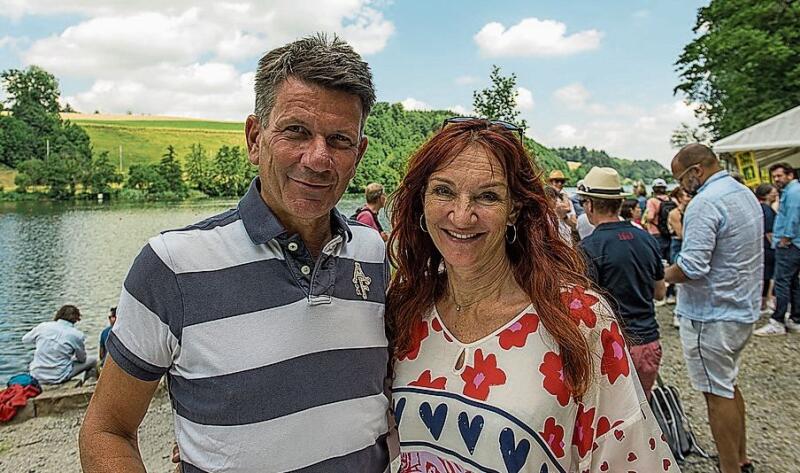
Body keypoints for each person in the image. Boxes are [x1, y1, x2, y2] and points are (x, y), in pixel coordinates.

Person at [79, 34, 391, 473]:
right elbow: (107, 429)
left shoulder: (374, 254)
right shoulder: (171, 266)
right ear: (254, 138)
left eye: (339, 139)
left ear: (358, 154)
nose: (318, 158)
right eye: (296, 131)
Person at [388, 118, 677, 472]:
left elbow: (629, 456)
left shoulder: (578, 319)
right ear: (421, 200)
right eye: (444, 191)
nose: (462, 215)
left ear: (515, 209)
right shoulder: (405, 307)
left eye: (488, 196)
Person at [665, 143, 760, 473]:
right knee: (728, 385)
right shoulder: (742, 192)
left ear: (697, 171)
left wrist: (661, 274)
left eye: (681, 179)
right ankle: (741, 456)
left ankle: (729, 467)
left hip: (711, 313)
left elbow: (692, 267)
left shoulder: (705, 202)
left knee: (715, 394)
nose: (681, 187)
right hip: (741, 307)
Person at [578, 167, 666, 400]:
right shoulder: (646, 238)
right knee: (642, 410)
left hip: (612, 345)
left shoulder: (590, 248)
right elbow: (659, 292)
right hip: (649, 342)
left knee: (614, 417)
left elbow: (585, 308)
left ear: (590, 205)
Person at [754, 163, 800, 336]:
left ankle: (778, 320)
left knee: (781, 281)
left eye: (779, 176)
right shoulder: (790, 191)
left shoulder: (794, 192)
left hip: (790, 243)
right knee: (793, 282)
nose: (776, 180)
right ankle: (796, 318)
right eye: (774, 177)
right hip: (792, 243)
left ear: (790, 175)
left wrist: (786, 238)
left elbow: (794, 216)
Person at [21, 305, 97, 384]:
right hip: (58, 376)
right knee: (93, 361)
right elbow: (82, 359)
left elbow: (25, 340)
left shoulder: (43, 326)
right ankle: (90, 385)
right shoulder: (77, 335)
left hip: (37, 375)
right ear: (76, 319)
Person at [754, 184, 778, 314]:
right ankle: (767, 301)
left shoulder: (760, 209)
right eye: (773, 193)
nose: (776, 195)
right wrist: (775, 246)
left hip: (763, 246)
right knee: (769, 275)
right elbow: (769, 231)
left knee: (766, 276)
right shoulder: (767, 211)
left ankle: (763, 303)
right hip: (768, 247)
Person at [643, 178, 671, 260]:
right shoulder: (671, 199)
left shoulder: (652, 201)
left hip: (656, 232)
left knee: (659, 258)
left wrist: (645, 218)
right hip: (668, 232)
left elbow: (650, 217)